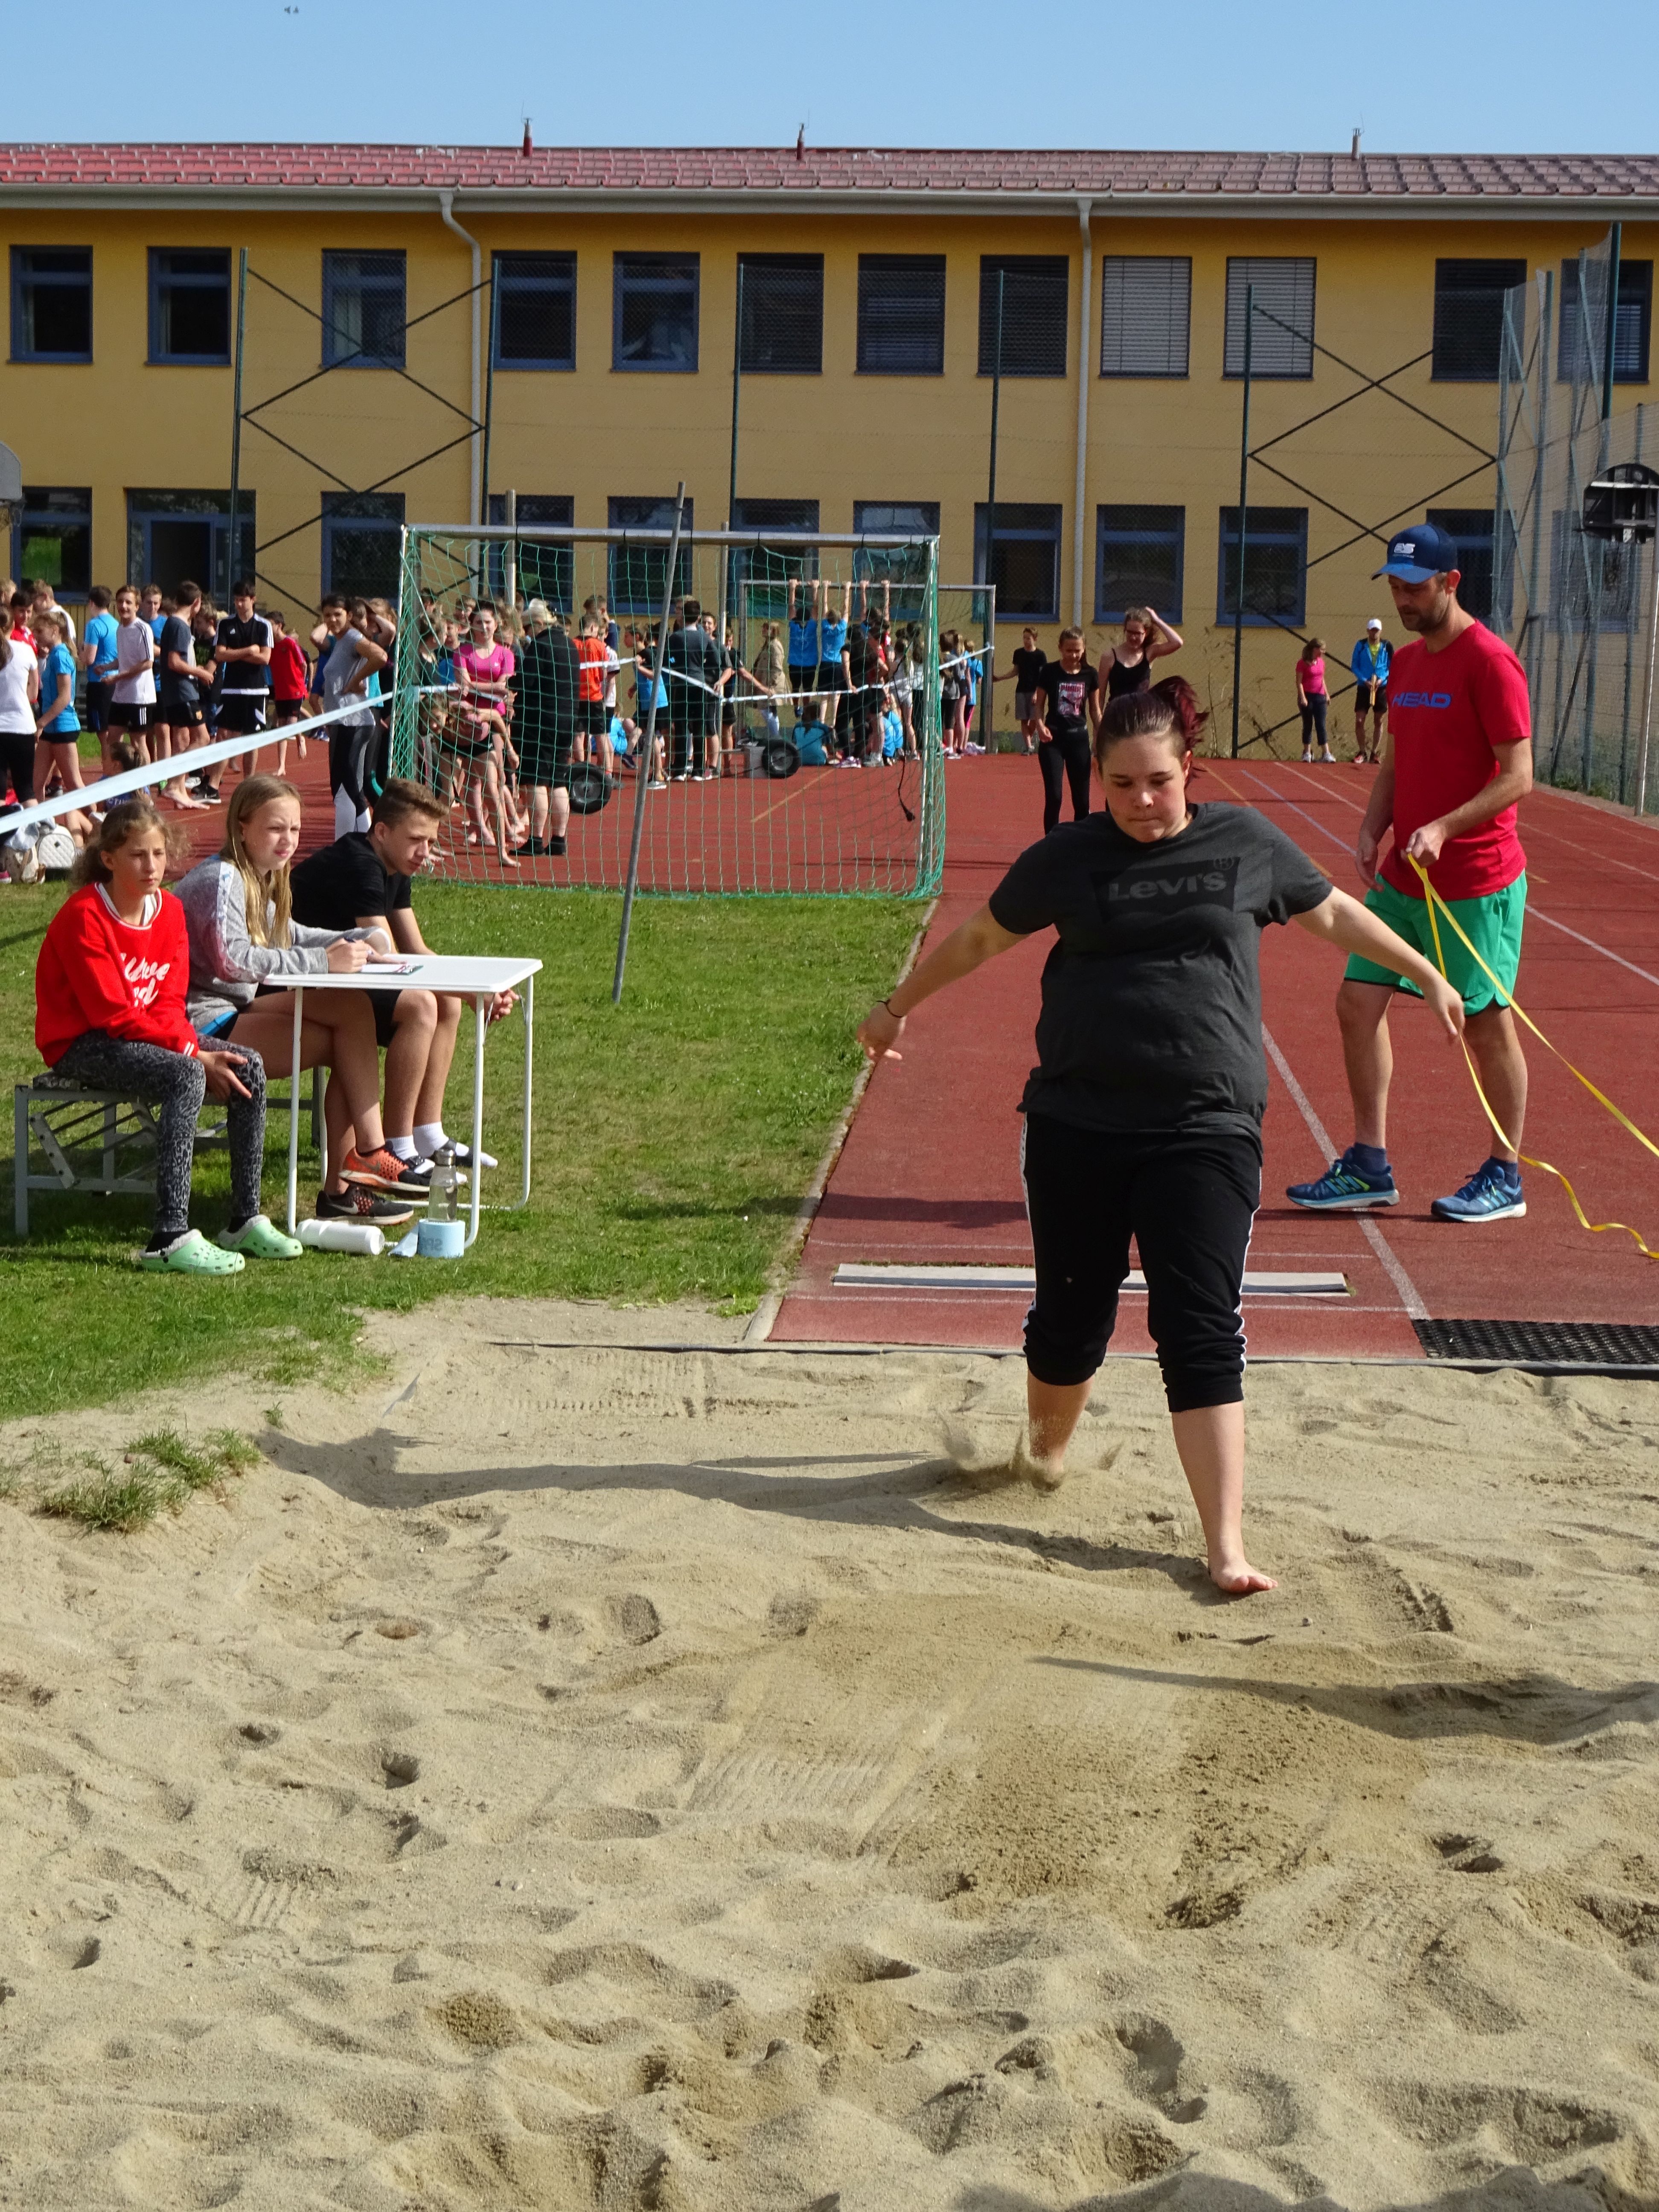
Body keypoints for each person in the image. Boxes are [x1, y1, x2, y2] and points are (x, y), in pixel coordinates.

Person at [855, 681, 1465, 1593]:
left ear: (1190, 770)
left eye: (1159, 781)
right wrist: (895, 1007)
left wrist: (1427, 972)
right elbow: (980, 939)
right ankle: (1044, 1457)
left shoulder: (1244, 844)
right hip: (1077, 1121)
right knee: (1070, 1323)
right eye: (1122, 785)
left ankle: (1225, 1546)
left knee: (1199, 1324)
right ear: (1099, 779)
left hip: (1206, 1124)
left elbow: (1332, 910)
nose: (1142, 801)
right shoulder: (1068, 857)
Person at [1289, 521, 1534, 1224]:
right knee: (1355, 1003)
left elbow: (1519, 775)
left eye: (1414, 587)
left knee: (1483, 1026)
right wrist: (1374, 827)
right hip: (1404, 878)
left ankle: (1505, 1173)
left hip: (1475, 884)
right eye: (1394, 586)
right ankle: (1369, 1163)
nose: (1401, 599)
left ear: (1450, 582)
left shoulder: (1491, 663)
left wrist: (1445, 826)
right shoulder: (1404, 662)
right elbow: (1395, 761)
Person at [33, 796, 302, 1272]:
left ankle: (244, 1219)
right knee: (185, 1076)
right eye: (138, 855)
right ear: (108, 859)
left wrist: (191, 1046)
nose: (152, 866)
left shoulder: (171, 911)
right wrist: (192, 1055)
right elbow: (113, 1014)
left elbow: (170, 1003)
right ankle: (169, 1235)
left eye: (158, 854)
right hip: (83, 1042)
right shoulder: (84, 916)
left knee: (248, 1066)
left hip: (147, 1034)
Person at [176, 775, 416, 1226]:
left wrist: (359, 938)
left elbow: (289, 934)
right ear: (241, 827)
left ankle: (365, 1161)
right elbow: (233, 959)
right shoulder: (221, 879)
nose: (287, 840)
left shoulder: (259, 875)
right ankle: (352, 1179)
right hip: (198, 1024)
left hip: (232, 1008)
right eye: (275, 829)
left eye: (295, 829)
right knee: (347, 1045)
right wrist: (325, 962)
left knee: (353, 1012)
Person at [290, 777, 514, 1178]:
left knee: (445, 1001)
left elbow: (417, 950)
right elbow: (391, 961)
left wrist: (481, 989)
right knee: (421, 1004)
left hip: (348, 979)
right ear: (382, 831)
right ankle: (398, 1146)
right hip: (299, 982)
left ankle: (428, 1134)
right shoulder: (360, 864)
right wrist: (474, 993)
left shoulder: (394, 863)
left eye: (430, 841)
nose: (424, 852)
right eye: (416, 840)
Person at [313, 595, 386, 839]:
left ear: (349, 616)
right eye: (327, 615)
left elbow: (380, 657)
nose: (332, 620)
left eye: (338, 614)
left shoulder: (353, 638)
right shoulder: (341, 642)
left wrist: (356, 681)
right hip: (343, 723)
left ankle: (354, 843)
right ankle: (353, 842)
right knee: (346, 789)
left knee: (347, 789)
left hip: (353, 723)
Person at [511, 599, 580, 857]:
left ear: (539, 623)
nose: (528, 634)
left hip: (540, 721)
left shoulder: (540, 646)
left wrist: (507, 681)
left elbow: (526, 682)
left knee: (537, 780)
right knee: (559, 780)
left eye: (529, 628)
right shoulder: (570, 645)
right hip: (567, 719)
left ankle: (536, 839)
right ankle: (559, 839)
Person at [1030, 626, 1098, 833]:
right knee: (1055, 797)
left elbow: (1095, 710)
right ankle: (1051, 843)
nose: (1074, 655)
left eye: (1078, 651)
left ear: (1084, 649)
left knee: (1082, 801)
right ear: (1060, 648)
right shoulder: (1049, 671)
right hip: (1053, 741)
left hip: (1079, 740)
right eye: (1069, 651)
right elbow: (1039, 704)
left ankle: (1080, 843)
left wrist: (1101, 737)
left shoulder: (1090, 674)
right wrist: (1040, 726)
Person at [207, 579, 274, 788]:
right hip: (231, 689)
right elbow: (220, 655)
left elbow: (265, 658)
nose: (239, 604)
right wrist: (249, 651)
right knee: (224, 736)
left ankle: (248, 784)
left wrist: (234, 654)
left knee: (252, 739)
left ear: (253, 600)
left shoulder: (263, 626)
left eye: (243, 600)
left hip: (256, 690)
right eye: (236, 600)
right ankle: (213, 786)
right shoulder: (226, 624)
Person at [156, 581, 210, 810]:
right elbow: (174, 662)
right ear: (196, 603)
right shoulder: (179, 626)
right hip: (182, 691)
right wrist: (200, 672)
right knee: (203, 738)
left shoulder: (174, 623)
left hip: (176, 691)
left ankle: (179, 791)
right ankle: (174, 783)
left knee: (183, 740)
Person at [31, 608, 85, 812]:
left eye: (40, 631)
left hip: (63, 727)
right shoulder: (54, 655)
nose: (36, 635)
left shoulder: (61, 656)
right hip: (51, 730)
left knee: (74, 784)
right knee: (36, 783)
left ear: (55, 631)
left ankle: (98, 820)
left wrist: (41, 722)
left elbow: (64, 697)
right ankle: (39, 823)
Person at [663, 598, 722, 783]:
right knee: (699, 728)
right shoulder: (704, 638)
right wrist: (701, 666)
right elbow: (716, 660)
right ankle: (698, 770)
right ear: (698, 618)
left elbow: (666, 660)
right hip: (700, 686)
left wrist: (677, 665)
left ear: (683, 616)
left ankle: (679, 770)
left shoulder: (676, 637)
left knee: (681, 727)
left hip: (681, 686)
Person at [109, 585, 157, 764]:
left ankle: (146, 778)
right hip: (121, 696)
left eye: (129, 603)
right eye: (120, 602)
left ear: (137, 606)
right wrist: (107, 667)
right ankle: (116, 775)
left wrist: (117, 677)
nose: (124, 606)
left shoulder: (142, 629)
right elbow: (125, 659)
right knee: (112, 739)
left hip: (140, 697)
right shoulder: (120, 629)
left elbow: (148, 662)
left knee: (138, 741)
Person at [1097, 605, 1183, 703]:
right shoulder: (1109, 657)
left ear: (1146, 633)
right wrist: (1099, 713)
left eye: (1138, 633)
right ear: (1125, 629)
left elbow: (1177, 643)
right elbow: (1100, 695)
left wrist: (1157, 620)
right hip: (1117, 711)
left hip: (1141, 711)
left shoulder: (1150, 653)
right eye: (1130, 632)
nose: (1133, 637)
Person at [0, 623, 38, 818]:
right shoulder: (26, 650)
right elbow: (33, 693)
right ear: (12, 626)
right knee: (26, 790)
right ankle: (37, 831)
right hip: (22, 726)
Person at [81, 586, 120, 774]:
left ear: (91, 603)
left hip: (99, 682)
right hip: (116, 680)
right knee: (115, 730)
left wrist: (79, 652)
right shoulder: (116, 623)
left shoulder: (94, 625)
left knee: (103, 732)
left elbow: (89, 658)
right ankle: (117, 766)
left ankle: (108, 770)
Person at [268, 608, 311, 774]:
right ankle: (282, 766)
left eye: (270, 625)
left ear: (279, 626)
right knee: (282, 729)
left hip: (295, 690)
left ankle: (301, 738)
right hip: (281, 691)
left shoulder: (290, 643)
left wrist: (301, 683)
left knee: (289, 727)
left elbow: (304, 664)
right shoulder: (271, 646)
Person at [998, 626, 1047, 754]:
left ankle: (1029, 741)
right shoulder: (1018, 653)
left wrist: (1037, 693)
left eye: (1028, 638)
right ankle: (1029, 746)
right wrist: (1000, 678)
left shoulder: (1040, 655)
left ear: (1035, 639)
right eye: (1024, 638)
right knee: (1024, 719)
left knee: (1035, 719)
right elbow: (1015, 671)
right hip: (1021, 690)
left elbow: (1043, 677)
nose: (1026, 641)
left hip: (1035, 691)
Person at [1350, 617, 1391, 765]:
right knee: (1360, 720)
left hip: (1381, 687)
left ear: (1380, 631)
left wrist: (1381, 679)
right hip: (1364, 687)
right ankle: (1362, 752)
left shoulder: (1386, 646)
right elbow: (1354, 666)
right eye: (1372, 630)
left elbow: (1391, 666)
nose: (1375, 633)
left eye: (1377, 630)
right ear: (1368, 631)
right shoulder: (1361, 645)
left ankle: (1374, 752)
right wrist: (1364, 680)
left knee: (1379, 720)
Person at [785, 579, 819, 736]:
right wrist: (815, 589)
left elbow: (791, 608)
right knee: (807, 689)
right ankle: (805, 710)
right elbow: (816, 609)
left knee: (795, 688)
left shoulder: (793, 626)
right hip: (809, 664)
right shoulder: (812, 626)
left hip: (796, 663)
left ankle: (796, 708)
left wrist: (792, 589)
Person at [1296, 637, 1334, 763]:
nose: (1323, 652)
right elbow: (1299, 682)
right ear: (1315, 649)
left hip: (1320, 697)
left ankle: (1326, 753)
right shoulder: (1302, 663)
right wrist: (1303, 697)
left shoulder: (1321, 662)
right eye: (1322, 649)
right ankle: (1307, 753)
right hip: (1307, 696)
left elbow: (1322, 679)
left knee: (1321, 725)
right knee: (1308, 724)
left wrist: (1327, 694)